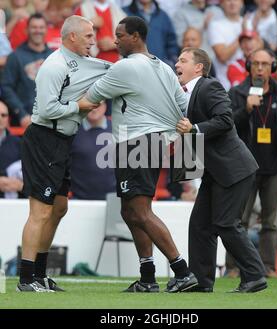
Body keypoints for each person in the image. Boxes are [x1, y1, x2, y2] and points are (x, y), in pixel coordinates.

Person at [79, 16, 198, 293]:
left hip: (136, 142)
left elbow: (90, 99)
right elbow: (183, 104)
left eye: (120, 35)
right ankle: (147, 277)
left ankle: (182, 271)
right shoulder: (165, 68)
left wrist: (55, 110)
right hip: (152, 142)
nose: (115, 39)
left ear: (136, 36)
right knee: (130, 210)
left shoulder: (126, 68)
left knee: (141, 212)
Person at [17, 15, 111, 292]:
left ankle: (41, 274)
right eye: (88, 37)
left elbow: (111, 70)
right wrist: (80, 106)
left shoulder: (83, 62)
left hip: (63, 140)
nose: (93, 41)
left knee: (58, 207)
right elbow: (47, 110)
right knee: (40, 211)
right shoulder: (53, 66)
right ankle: (26, 278)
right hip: (44, 138)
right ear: (72, 37)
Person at [175, 47, 267, 293]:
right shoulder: (186, 93)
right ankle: (200, 282)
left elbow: (225, 120)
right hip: (217, 171)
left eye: (182, 60)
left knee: (226, 223)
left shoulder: (209, 86)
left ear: (199, 68)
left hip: (233, 168)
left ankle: (255, 276)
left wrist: (194, 129)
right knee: (200, 226)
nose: (176, 64)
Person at [228, 48, 277, 278]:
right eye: (256, 64)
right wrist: (246, 108)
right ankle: (233, 268)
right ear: (249, 66)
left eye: (265, 64)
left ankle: (269, 267)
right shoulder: (238, 93)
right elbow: (226, 124)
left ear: (273, 67)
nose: (260, 68)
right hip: (244, 166)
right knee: (239, 221)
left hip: (274, 165)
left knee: (271, 221)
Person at [1, 13, 52, 128]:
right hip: (23, 123)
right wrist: (21, 114)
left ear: (46, 30)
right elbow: (6, 87)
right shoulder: (15, 57)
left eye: (41, 27)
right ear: (26, 30)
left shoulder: (54, 57)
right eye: (34, 27)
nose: (37, 31)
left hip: (50, 122)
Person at [70, 101, 116, 200]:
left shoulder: (118, 128)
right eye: (90, 104)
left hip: (114, 198)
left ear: (105, 106)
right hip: (79, 199)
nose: (94, 108)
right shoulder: (72, 130)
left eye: (98, 104)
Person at [0, 100, 23, 199]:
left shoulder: (19, 144)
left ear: (8, 118)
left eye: (3, 115)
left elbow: (33, 177)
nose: (0, 118)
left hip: (13, 203)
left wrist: (21, 186)